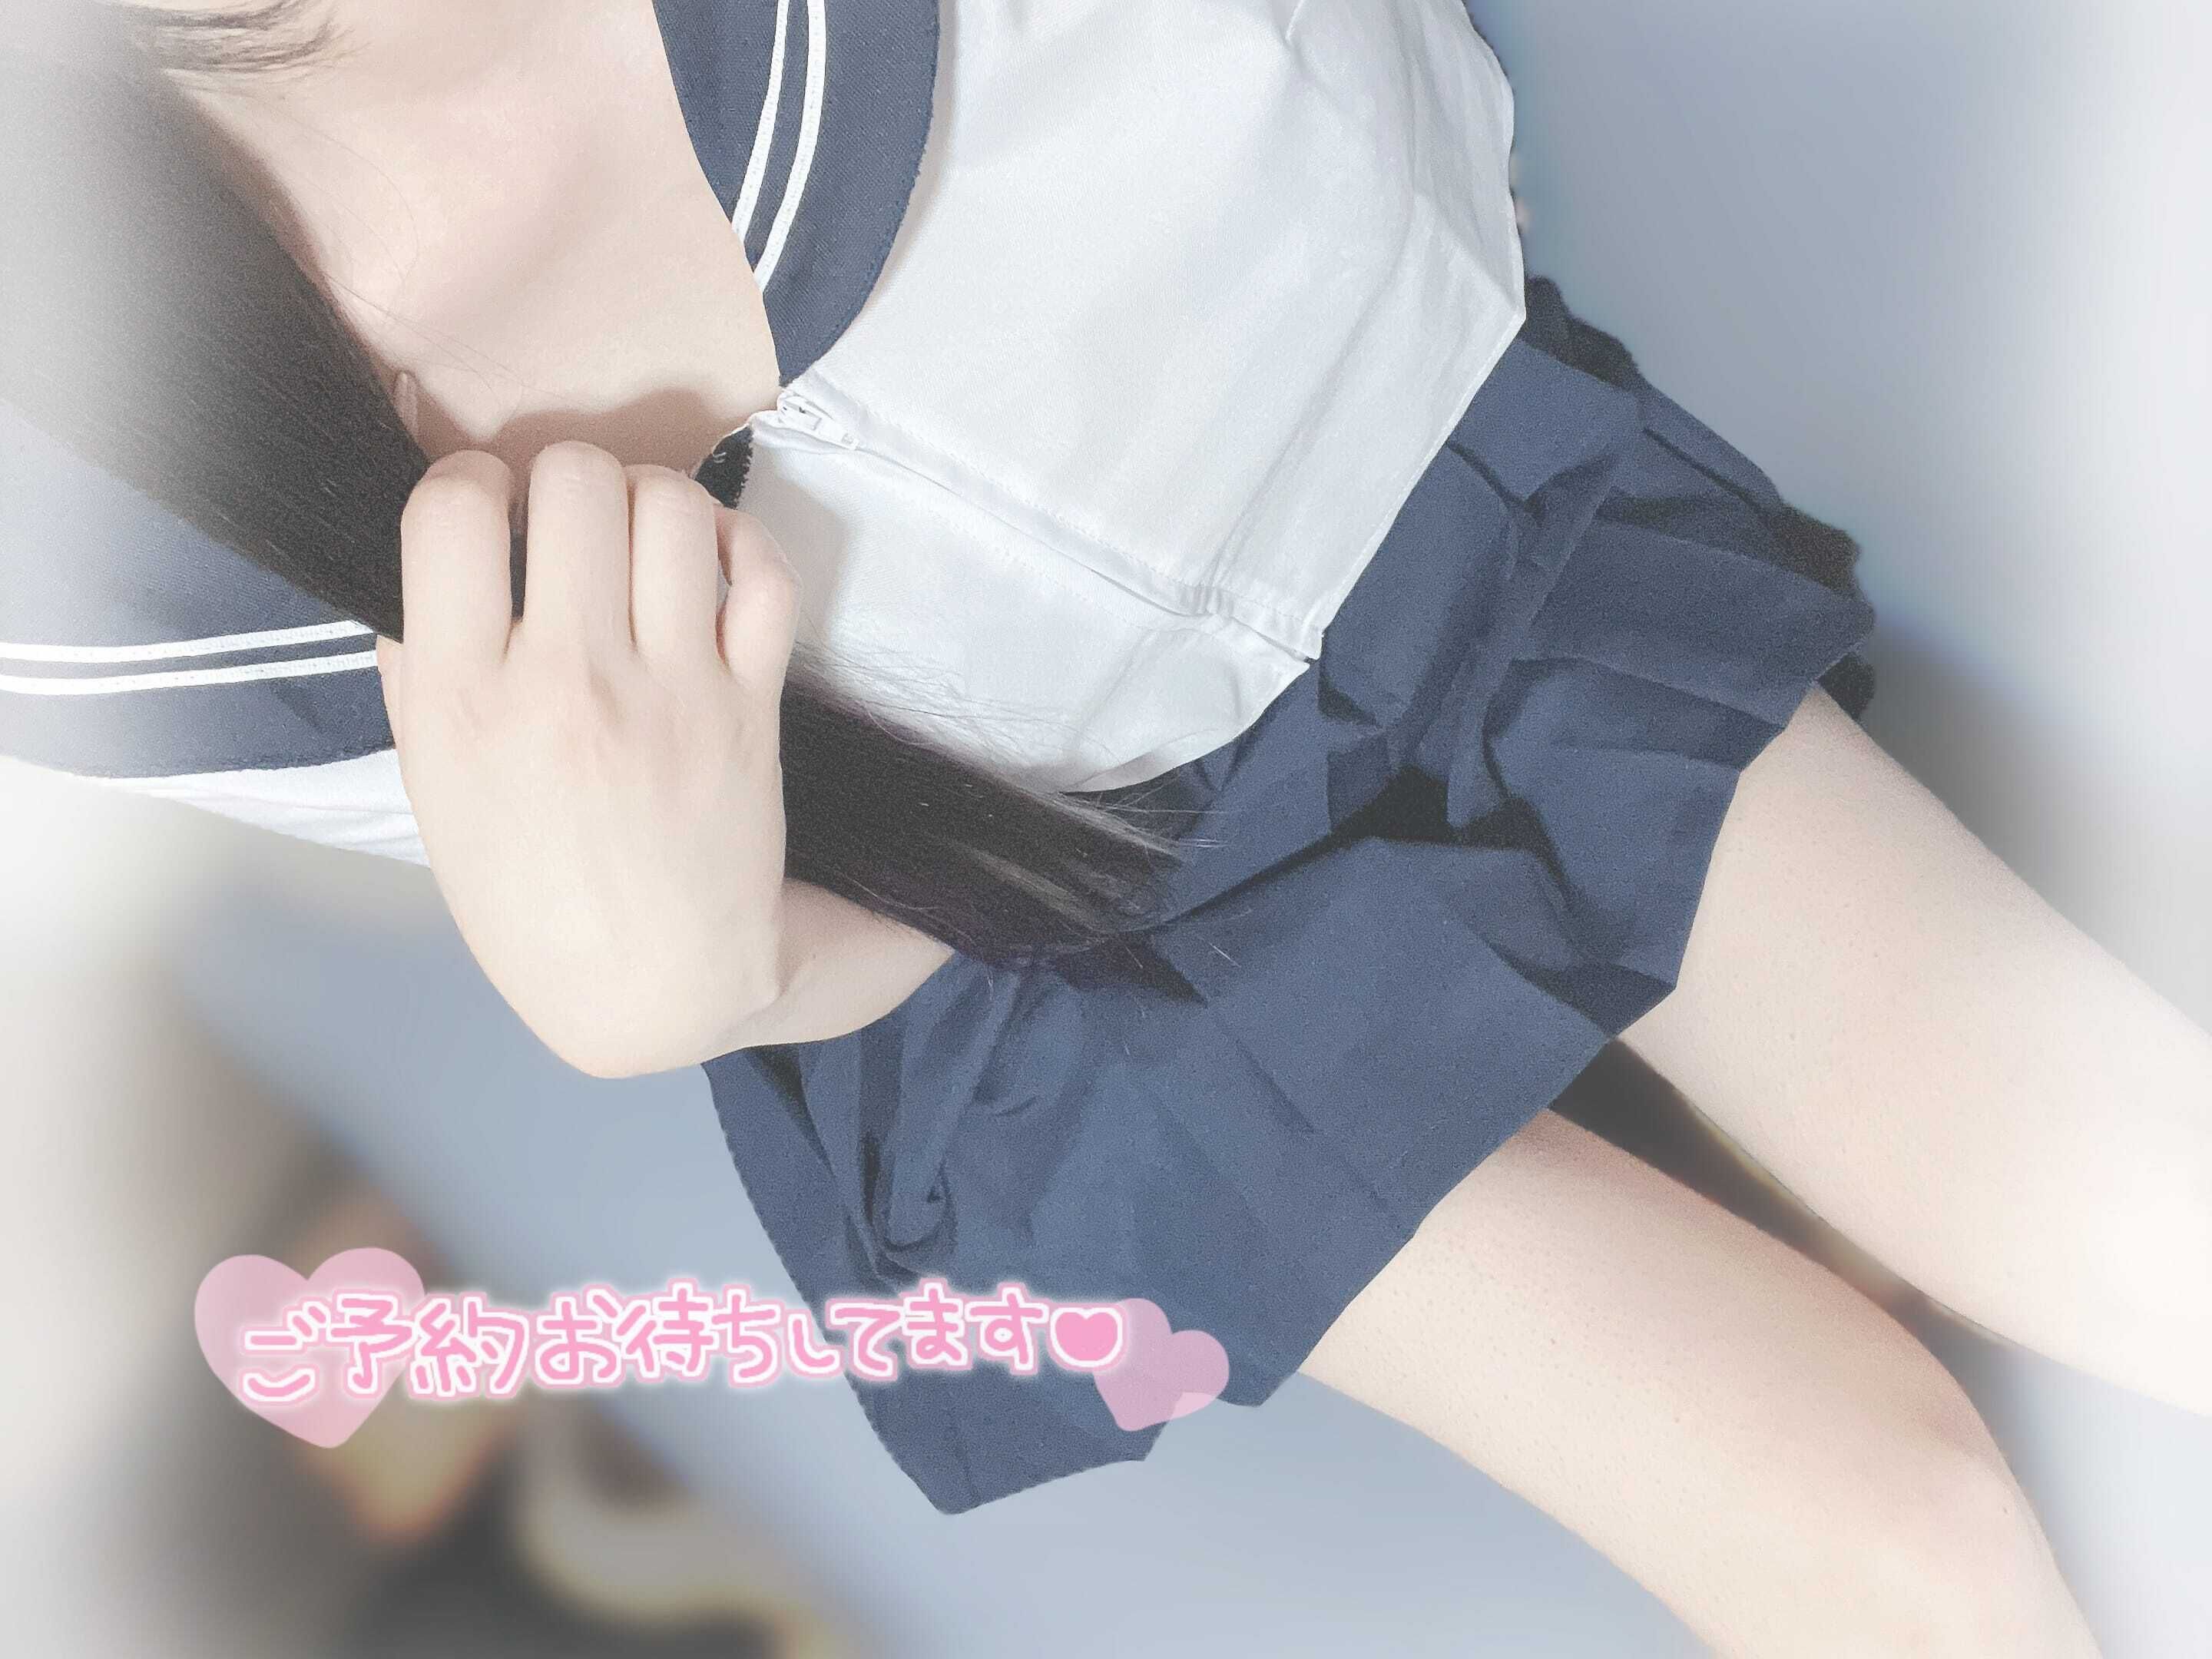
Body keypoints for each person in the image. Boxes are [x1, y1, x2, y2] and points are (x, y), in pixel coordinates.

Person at [5, 2, 2207, 1651]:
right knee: (1886, 1525)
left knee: (2119, 1216)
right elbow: (804, 910)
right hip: (1039, 976)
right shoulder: (90, 543)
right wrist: (683, 979)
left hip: (1434, 523)